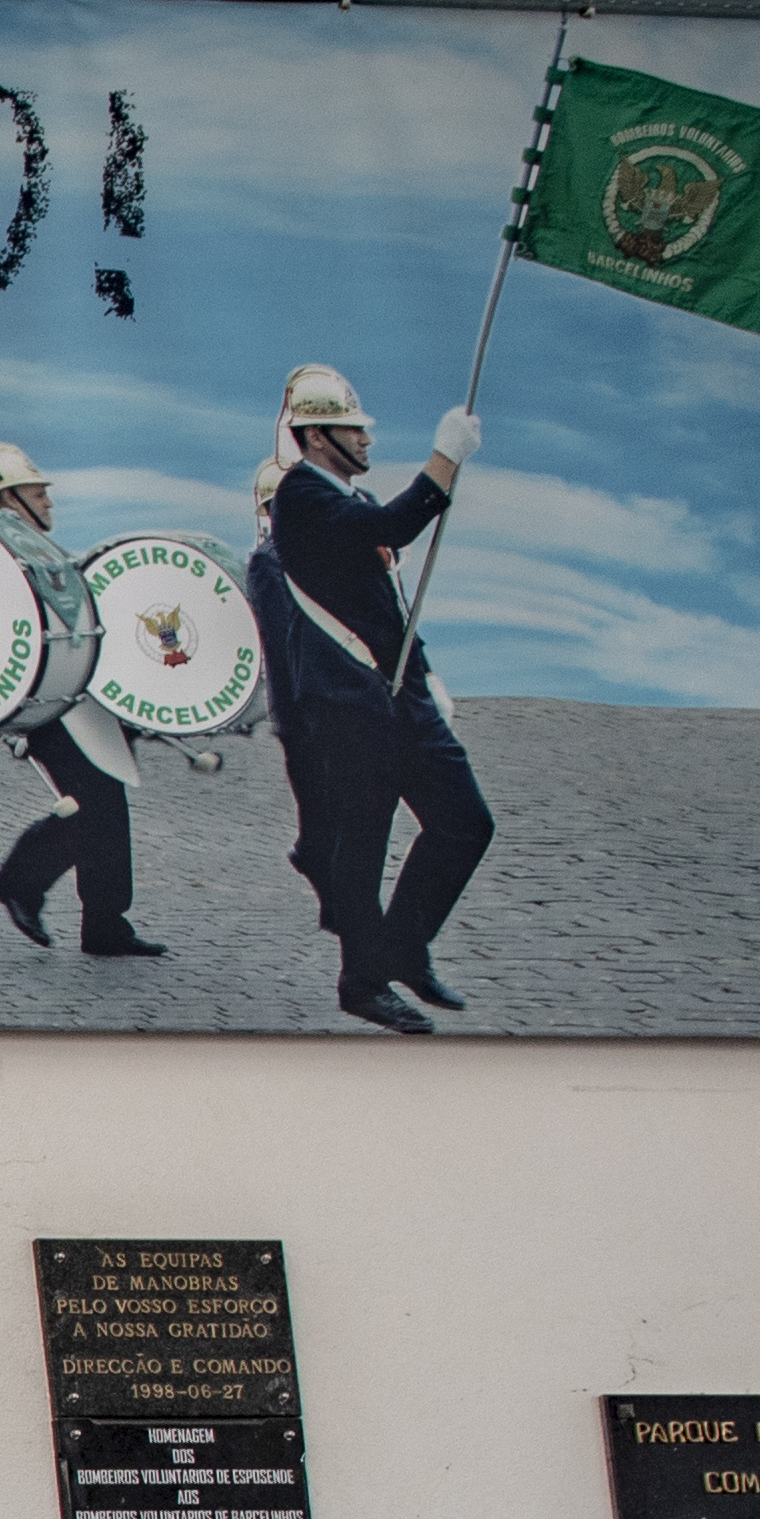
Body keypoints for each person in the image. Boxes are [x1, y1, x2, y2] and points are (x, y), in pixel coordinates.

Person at [246, 359, 492, 1035]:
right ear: (317, 436)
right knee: (362, 849)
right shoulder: (301, 496)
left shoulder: (344, 501)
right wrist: (446, 458)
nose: (367, 441)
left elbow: (384, 608)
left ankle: (405, 947)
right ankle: (363, 982)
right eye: (354, 429)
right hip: (349, 708)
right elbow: (396, 525)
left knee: (466, 824)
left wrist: (427, 677)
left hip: (399, 696)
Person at [0, 445, 156, 966]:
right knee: (95, 800)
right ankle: (23, 884)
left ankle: (105, 924)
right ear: (8, 497)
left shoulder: (43, 553)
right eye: (38, 490)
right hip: (41, 702)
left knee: (104, 800)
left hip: (77, 697)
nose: (48, 500)